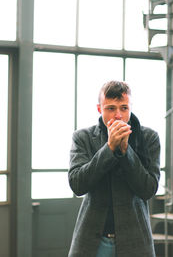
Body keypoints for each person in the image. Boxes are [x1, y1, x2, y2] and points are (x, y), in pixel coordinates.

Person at [68, 80, 161, 257]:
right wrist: (109, 149)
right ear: (99, 109)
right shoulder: (83, 137)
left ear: (130, 108)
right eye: (110, 108)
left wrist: (127, 152)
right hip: (93, 240)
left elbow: (148, 189)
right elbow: (77, 185)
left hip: (135, 240)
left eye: (124, 108)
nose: (118, 115)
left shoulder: (148, 138)